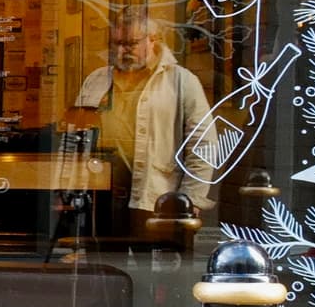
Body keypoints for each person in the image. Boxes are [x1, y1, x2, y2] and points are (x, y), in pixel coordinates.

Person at [70, 16, 211, 228]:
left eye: (130, 43)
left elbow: (203, 144)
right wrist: (69, 187)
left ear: (152, 40)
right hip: (101, 197)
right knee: (102, 260)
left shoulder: (181, 81)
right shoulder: (97, 79)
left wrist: (191, 198)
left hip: (158, 197)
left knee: (155, 260)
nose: (122, 51)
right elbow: (74, 135)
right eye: (116, 44)